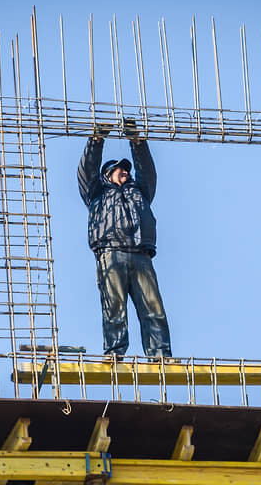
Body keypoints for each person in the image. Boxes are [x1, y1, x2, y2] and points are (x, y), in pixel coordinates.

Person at [77, 118, 174, 362]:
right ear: (107, 175)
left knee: (153, 307)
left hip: (140, 253)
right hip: (111, 252)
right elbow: (87, 169)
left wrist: (137, 142)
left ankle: (160, 354)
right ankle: (114, 353)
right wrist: (96, 140)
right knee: (114, 306)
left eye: (127, 169)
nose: (126, 171)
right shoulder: (97, 192)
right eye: (121, 169)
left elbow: (147, 170)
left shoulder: (140, 191)